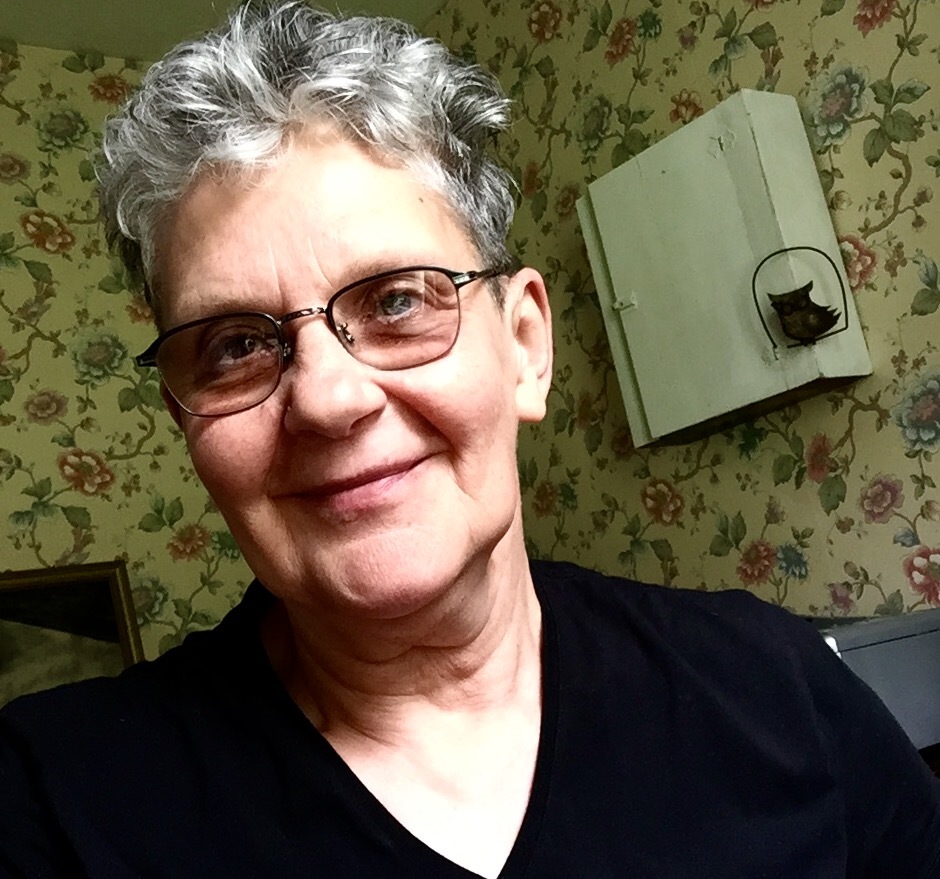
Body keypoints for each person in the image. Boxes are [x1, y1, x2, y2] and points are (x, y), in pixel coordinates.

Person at [2, 3, 939, 876]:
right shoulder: (53, 805)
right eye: (236, 345)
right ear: (187, 420)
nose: (328, 398)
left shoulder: (773, 684)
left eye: (395, 300)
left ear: (525, 344)